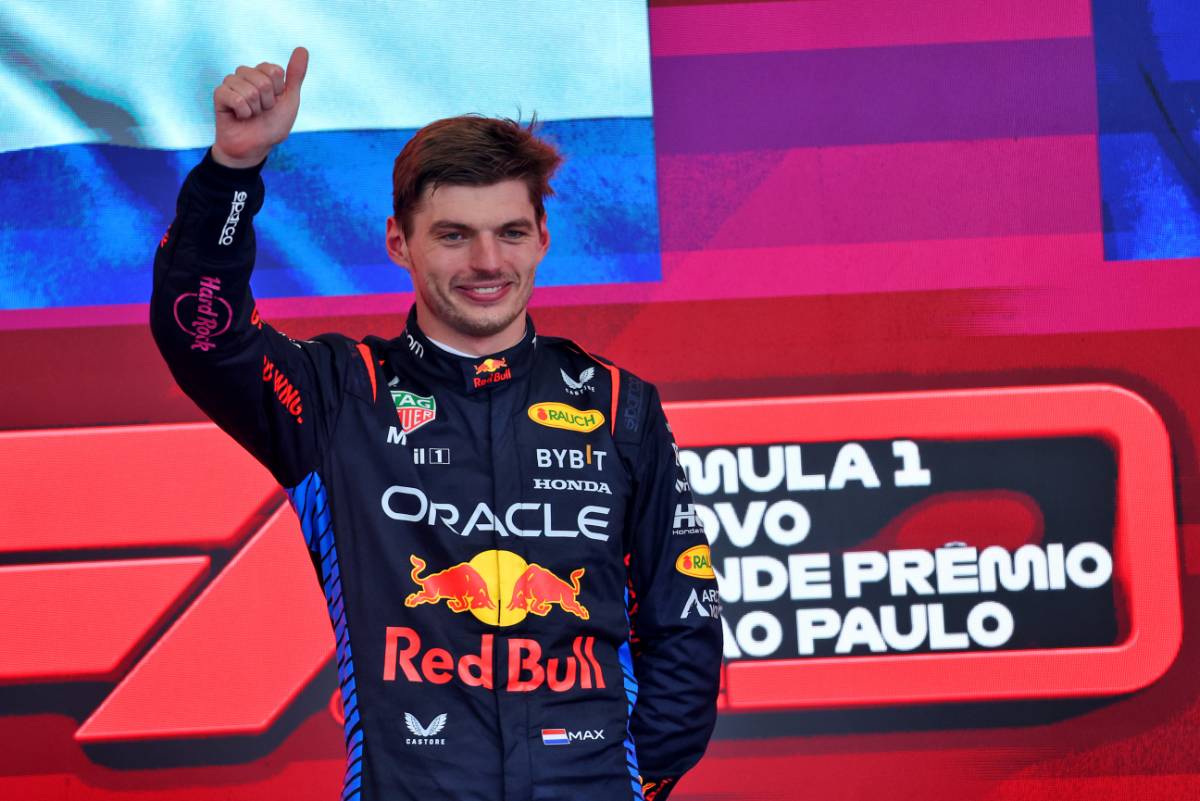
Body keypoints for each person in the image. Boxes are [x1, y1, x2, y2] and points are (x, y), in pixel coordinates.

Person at [150, 47, 721, 801]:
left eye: (511, 232)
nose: (487, 261)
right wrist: (231, 171)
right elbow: (203, 334)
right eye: (454, 235)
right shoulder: (337, 394)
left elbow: (686, 624)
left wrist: (622, 781)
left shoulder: (619, 406)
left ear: (543, 240)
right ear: (399, 243)